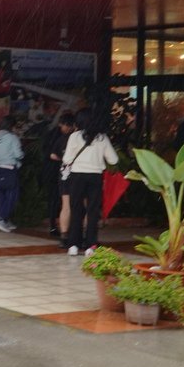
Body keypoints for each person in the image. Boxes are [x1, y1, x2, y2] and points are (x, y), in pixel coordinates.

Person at [62, 108, 119, 256]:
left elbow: (67, 159)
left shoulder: (74, 137)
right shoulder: (102, 138)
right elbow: (113, 159)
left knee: (76, 210)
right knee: (92, 211)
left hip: (77, 176)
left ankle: (73, 245)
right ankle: (90, 246)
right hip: (95, 177)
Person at [43, 112, 75, 243]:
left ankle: (54, 226)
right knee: (64, 202)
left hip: (52, 171)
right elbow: (53, 154)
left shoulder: (53, 134)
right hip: (61, 171)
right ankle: (64, 228)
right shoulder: (66, 137)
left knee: (56, 200)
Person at [0, 116, 24, 233]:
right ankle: (0, 218)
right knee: (12, 195)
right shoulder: (13, 138)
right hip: (9, 169)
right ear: (11, 126)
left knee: (1, 195)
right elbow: (19, 154)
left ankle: (5, 219)